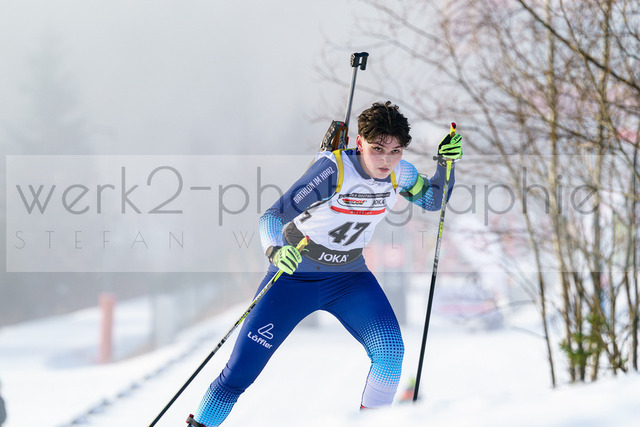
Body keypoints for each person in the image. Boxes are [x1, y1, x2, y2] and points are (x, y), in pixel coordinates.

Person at [187, 101, 462, 426]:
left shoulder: (401, 174)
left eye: (396, 151)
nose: (386, 160)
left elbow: (433, 199)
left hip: (348, 277)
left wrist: (445, 165)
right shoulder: (333, 171)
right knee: (238, 374)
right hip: (295, 277)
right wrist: (275, 250)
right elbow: (272, 216)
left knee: (390, 353)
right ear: (359, 142)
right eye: (377, 149)